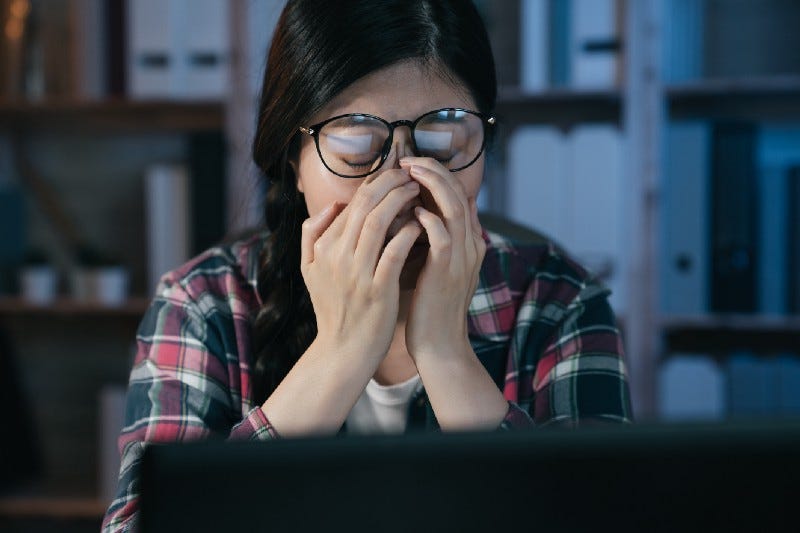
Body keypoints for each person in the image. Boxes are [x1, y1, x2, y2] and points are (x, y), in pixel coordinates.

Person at [102, 0, 632, 530]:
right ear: (294, 162)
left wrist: (447, 354)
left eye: (443, 141)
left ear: (485, 146)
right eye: (357, 145)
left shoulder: (560, 302)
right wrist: (341, 351)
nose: (401, 183)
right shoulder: (203, 304)